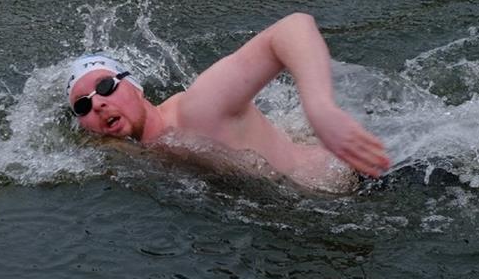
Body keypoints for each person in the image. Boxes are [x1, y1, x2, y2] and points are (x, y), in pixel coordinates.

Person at [66, 12, 391, 195]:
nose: (98, 105)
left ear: (135, 87)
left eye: (106, 86)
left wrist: (320, 109)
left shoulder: (197, 111)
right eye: (82, 106)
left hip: (364, 185)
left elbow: (291, 28)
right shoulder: (139, 150)